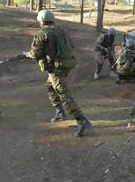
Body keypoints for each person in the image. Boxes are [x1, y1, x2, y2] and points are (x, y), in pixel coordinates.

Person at [24, 9, 91, 137]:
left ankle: (81, 120)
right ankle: (60, 112)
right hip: (67, 64)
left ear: (42, 21)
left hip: (56, 68)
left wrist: (27, 55)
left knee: (62, 92)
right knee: (50, 86)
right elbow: (70, 46)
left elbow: (36, 53)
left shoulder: (43, 33)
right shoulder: (62, 31)